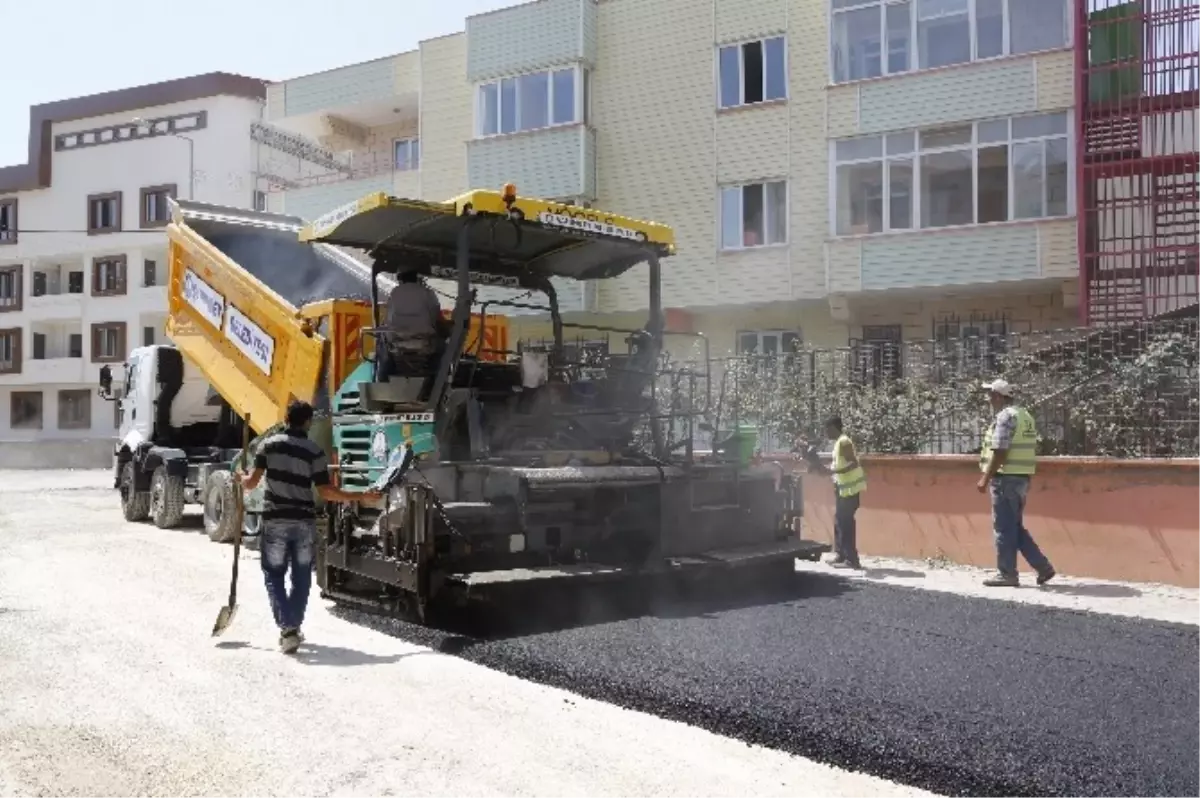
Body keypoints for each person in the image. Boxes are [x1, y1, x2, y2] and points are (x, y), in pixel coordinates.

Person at [236, 401, 381, 653]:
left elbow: (251, 484)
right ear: (308, 422)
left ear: (285, 418)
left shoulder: (267, 445)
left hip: (275, 520)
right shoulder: (314, 450)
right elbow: (327, 492)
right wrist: (361, 496)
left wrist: (241, 477)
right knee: (302, 576)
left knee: (273, 574)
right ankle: (292, 626)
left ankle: (288, 628)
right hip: (303, 522)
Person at [977, 378, 1056, 588]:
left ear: (998, 396)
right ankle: (1043, 567)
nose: (988, 399)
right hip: (1021, 477)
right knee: (1014, 526)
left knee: (1004, 527)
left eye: (990, 394)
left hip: (1006, 478)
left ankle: (1007, 573)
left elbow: (1001, 451)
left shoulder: (1005, 417)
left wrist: (985, 478)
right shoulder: (1025, 415)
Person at [801, 416, 866, 570]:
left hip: (850, 489)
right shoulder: (838, 443)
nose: (826, 432)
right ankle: (841, 555)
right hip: (843, 488)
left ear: (834, 428)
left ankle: (851, 560)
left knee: (846, 523)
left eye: (827, 429)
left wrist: (833, 471)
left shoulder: (844, 442)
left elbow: (853, 463)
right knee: (839, 521)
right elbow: (838, 463)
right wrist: (825, 469)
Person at [377, 270, 449, 389]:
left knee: (383, 347)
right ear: (417, 278)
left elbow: (388, 319)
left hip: (397, 344)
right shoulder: (428, 293)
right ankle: (437, 384)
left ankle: (382, 380)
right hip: (424, 343)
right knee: (443, 349)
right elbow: (436, 318)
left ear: (400, 279)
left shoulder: (395, 293)